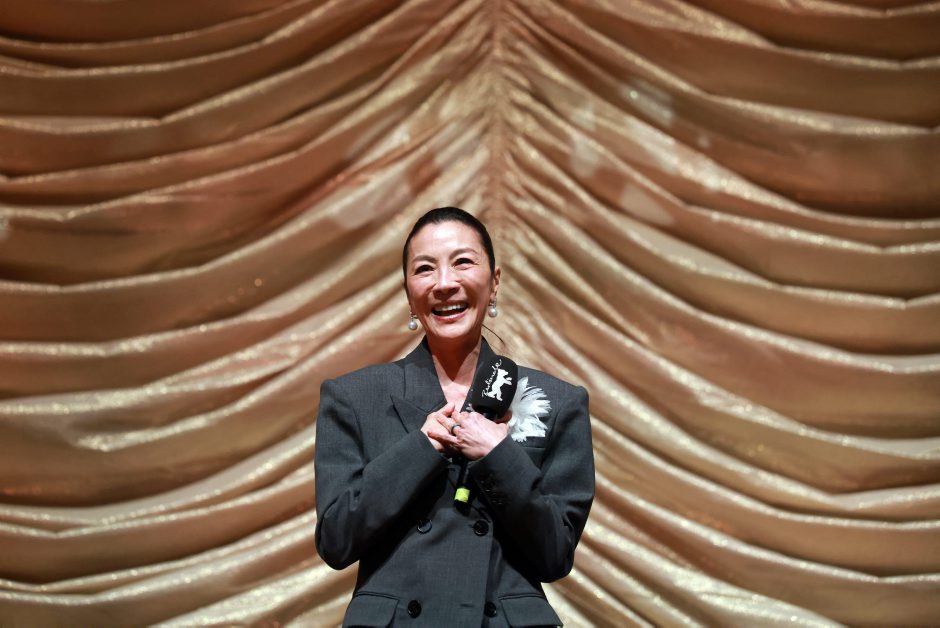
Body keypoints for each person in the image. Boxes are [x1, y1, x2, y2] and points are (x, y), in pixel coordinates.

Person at [314, 207, 595, 627]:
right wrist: (420, 448)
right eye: (424, 269)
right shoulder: (354, 397)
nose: (444, 283)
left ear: (494, 282)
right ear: (409, 293)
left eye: (463, 262)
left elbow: (555, 555)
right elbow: (336, 541)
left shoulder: (559, 401)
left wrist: (499, 457)